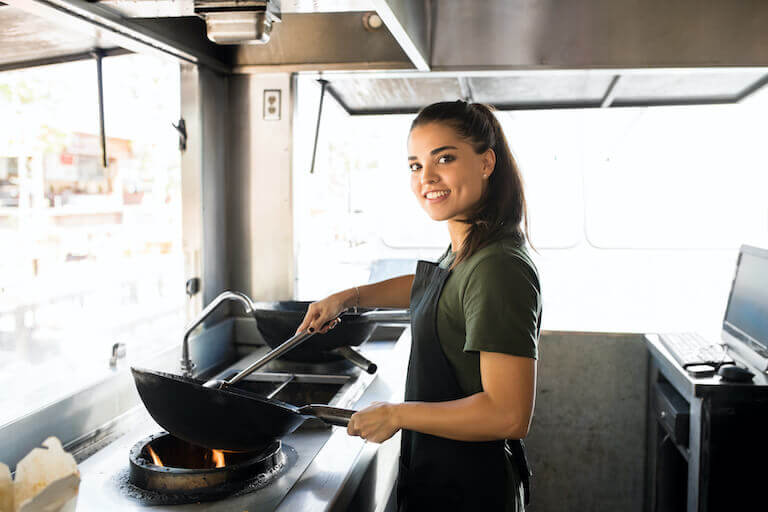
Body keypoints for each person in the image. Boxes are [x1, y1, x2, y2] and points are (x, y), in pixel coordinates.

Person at [294, 100, 542, 512]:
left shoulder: (499, 266)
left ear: (486, 163)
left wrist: (396, 415)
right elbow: (439, 290)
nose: (427, 177)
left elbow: (509, 414)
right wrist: (349, 297)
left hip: (472, 489)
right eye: (415, 165)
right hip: (442, 475)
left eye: (444, 158)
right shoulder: (470, 247)